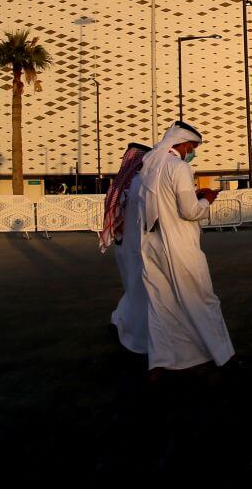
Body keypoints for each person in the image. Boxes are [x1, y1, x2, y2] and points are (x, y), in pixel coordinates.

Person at [136, 120, 235, 371]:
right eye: (193, 146)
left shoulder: (149, 166)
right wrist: (207, 200)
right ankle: (224, 356)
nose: (193, 152)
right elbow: (190, 211)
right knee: (202, 298)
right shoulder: (177, 167)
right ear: (182, 143)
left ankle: (161, 362)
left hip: (152, 245)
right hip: (179, 245)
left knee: (161, 304)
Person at [100, 141, 153, 354]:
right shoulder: (139, 184)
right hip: (135, 245)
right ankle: (135, 335)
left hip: (124, 246)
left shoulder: (120, 185)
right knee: (139, 289)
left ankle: (118, 320)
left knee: (132, 287)